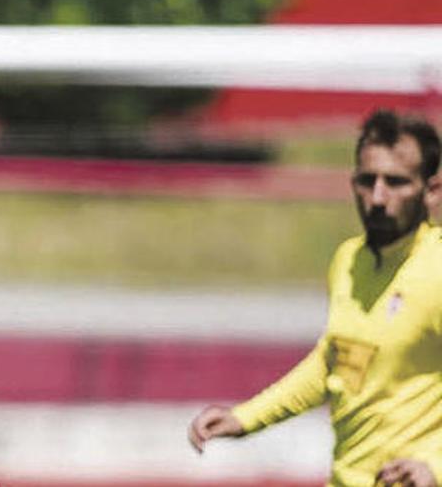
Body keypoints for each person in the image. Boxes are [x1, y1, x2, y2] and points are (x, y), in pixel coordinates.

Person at [188, 109, 442, 487]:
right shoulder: (348, 260)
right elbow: (332, 363)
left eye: (396, 182)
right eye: (367, 180)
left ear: (432, 190)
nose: (377, 196)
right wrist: (246, 418)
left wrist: (435, 467)